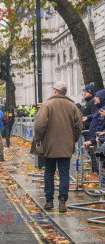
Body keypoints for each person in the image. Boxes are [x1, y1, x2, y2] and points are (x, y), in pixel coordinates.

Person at [31, 81, 83, 212]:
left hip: (49, 145)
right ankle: (62, 201)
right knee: (64, 173)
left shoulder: (47, 105)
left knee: (49, 172)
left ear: (55, 91)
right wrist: (73, 140)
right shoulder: (72, 106)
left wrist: (39, 140)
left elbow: (39, 126)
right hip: (66, 146)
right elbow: (79, 127)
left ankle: (49, 201)